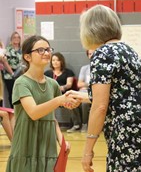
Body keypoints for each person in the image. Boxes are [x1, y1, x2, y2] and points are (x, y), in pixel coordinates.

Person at [69, 4, 141, 172]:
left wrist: (87, 150)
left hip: (129, 131)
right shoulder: (128, 50)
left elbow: (100, 106)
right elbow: (121, 95)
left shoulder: (102, 53)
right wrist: (82, 96)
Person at [6, 35, 80, 172]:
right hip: (26, 140)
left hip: (47, 142)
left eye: (47, 49)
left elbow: (51, 116)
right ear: (27, 57)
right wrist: (60, 100)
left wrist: (61, 140)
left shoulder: (52, 84)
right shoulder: (21, 83)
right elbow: (34, 112)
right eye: (40, 50)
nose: (46, 53)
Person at [45, 52, 82, 132]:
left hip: (65, 93)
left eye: (57, 60)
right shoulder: (47, 73)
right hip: (52, 93)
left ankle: (76, 124)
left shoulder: (68, 72)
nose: (55, 62)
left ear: (61, 61)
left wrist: (61, 87)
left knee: (72, 100)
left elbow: (69, 84)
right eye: (53, 60)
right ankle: (49, 124)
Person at [2, 31, 22, 108]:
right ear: (11, 39)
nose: (16, 39)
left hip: (20, 75)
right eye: (14, 37)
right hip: (10, 75)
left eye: (18, 37)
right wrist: (13, 74)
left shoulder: (21, 50)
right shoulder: (8, 50)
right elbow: (5, 62)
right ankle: (13, 110)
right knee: (12, 93)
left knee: (20, 93)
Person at [78, 50, 93, 133]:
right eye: (90, 54)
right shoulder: (85, 68)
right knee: (72, 98)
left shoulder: (101, 67)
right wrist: (90, 84)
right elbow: (79, 84)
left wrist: (87, 84)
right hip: (85, 91)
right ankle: (77, 124)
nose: (92, 55)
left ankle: (86, 123)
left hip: (95, 92)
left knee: (85, 102)